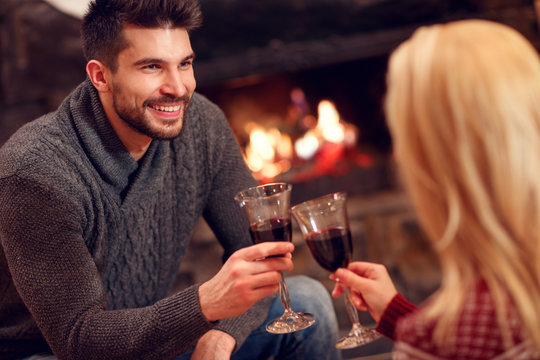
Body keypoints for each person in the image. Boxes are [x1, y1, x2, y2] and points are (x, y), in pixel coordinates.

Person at [0, 0, 341, 359]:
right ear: (100, 76)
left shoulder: (202, 125)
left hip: (149, 341)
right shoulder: (34, 173)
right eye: (152, 67)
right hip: (50, 353)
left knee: (309, 301)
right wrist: (205, 306)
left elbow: (259, 257)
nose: (178, 88)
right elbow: (77, 340)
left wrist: (223, 334)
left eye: (185, 64)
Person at [331, 19, 540, 359]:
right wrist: (399, 315)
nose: (398, 154)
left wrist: (421, 338)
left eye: (404, 137)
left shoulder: (441, 337)